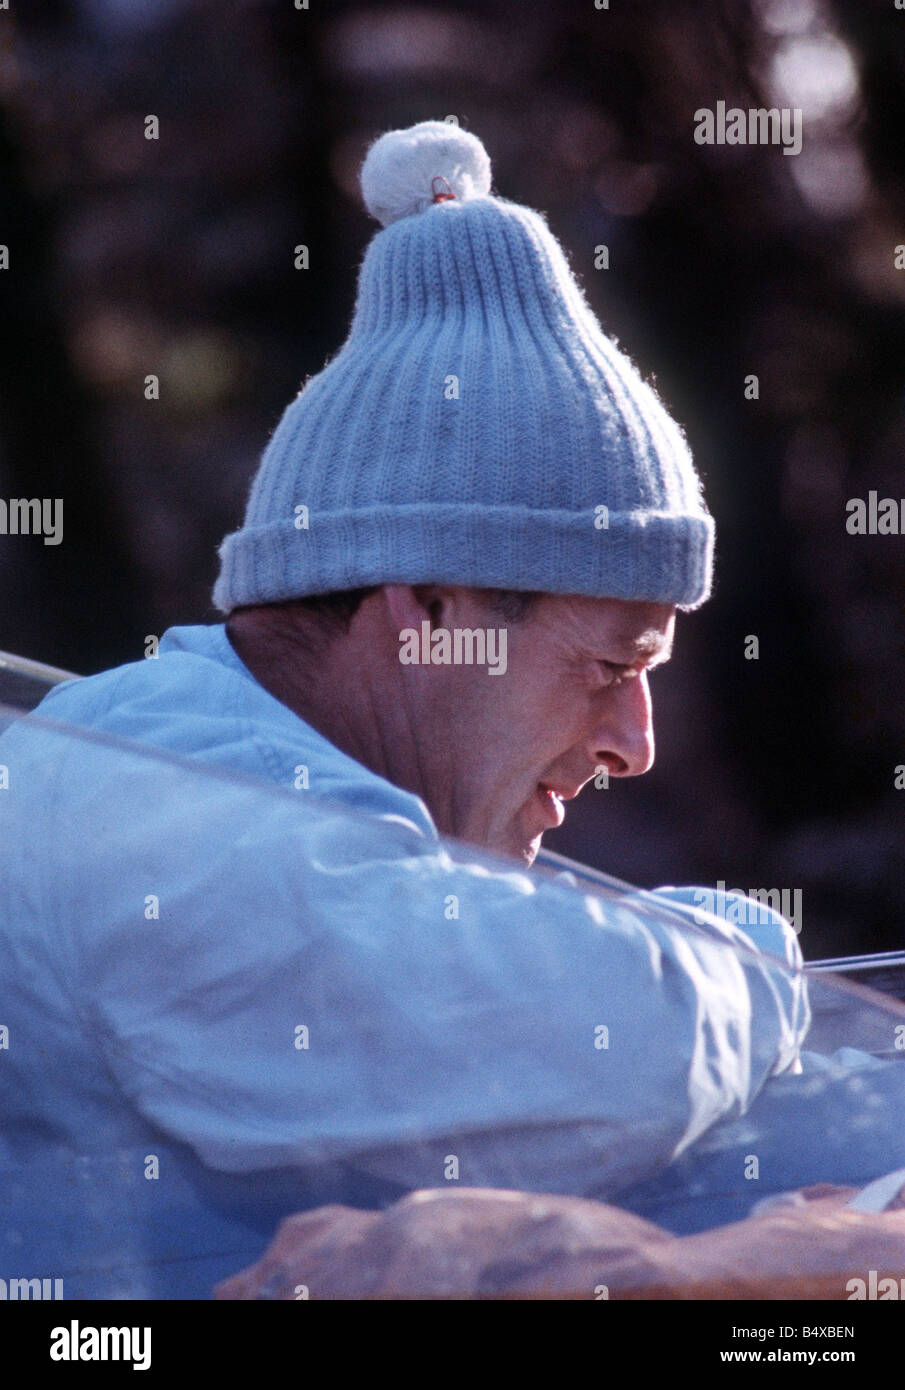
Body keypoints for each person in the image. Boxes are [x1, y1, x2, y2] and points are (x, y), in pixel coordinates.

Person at [2, 121, 888, 1302]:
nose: (635, 742)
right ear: (428, 608)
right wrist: (761, 957)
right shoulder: (158, 804)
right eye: (605, 666)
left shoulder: (255, 790)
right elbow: (605, 1054)